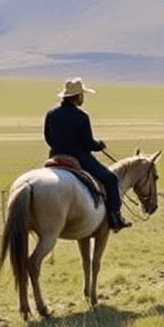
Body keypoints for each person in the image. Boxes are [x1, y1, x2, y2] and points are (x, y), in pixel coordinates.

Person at [44, 77, 131, 232]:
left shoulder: (51, 114)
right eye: (82, 95)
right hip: (80, 157)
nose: (83, 98)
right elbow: (87, 142)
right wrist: (99, 145)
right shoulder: (81, 116)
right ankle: (116, 217)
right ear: (78, 96)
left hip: (55, 156)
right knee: (111, 178)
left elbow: (48, 138)